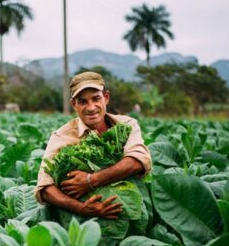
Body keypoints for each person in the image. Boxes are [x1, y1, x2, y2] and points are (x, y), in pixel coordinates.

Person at [35, 71, 152, 217]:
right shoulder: (61, 136)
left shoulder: (126, 125)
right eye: (82, 101)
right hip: (81, 221)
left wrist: (91, 180)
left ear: (106, 97)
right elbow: (45, 188)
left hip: (131, 212)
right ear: (73, 104)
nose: (91, 107)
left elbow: (138, 161)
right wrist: (81, 208)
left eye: (96, 98)